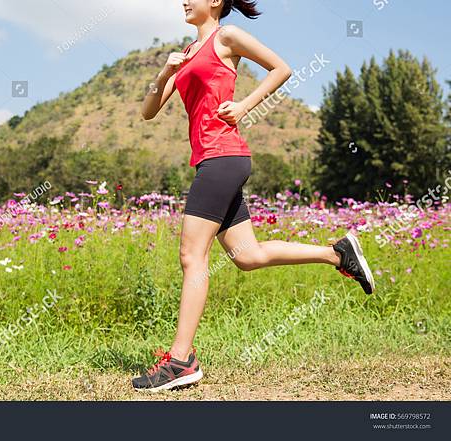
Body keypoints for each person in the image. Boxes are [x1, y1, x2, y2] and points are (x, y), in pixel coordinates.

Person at [133, 0, 375, 393]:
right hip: (213, 161)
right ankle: (337, 253)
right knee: (247, 256)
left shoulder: (225, 37)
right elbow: (147, 111)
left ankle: (180, 361)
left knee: (192, 256)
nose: (182, 0)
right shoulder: (187, 54)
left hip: (222, 157)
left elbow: (281, 68)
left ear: (214, 1)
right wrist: (165, 72)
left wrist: (244, 105)